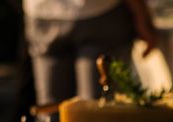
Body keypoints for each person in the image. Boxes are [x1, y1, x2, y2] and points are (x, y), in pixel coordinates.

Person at [22, 0, 158, 106]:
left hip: (44, 12)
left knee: (51, 114)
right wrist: (141, 13)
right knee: (97, 111)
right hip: (98, 13)